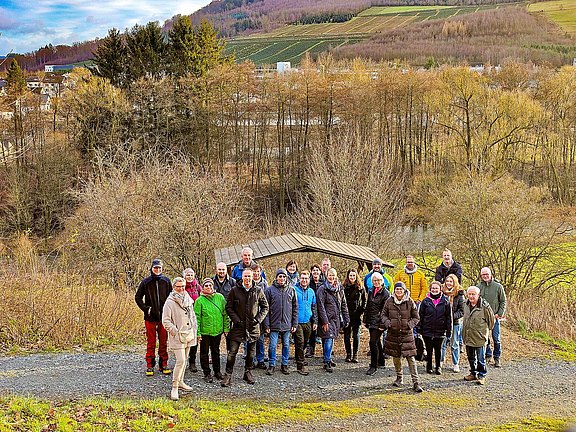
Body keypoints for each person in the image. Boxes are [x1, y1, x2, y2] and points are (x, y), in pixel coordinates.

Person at [222, 268, 269, 387]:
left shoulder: (258, 290)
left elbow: (265, 307)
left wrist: (258, 319)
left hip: (253, 327)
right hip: (238, 327)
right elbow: (229, 308)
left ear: (253, 277)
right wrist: (236, 320)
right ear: (242, 277)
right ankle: (228, 374)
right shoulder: (234, 290)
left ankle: (247, 372)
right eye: (245, 276)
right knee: (232, 352)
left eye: (249, 276)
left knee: (251, 353)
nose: (247, 278)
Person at [381, 281, 423, 392]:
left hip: (406, 334)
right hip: (393, 333)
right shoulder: (389, 301)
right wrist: (388, 323)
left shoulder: (410, 301)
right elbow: (383, 315)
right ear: (394, 290)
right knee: (396, 357)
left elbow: (416, 317)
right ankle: (399, 378)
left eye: (400, 289)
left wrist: (409, 325)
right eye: (397, 289)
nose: (398, 291)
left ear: (404, 290)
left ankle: (416, 382)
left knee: (411, 358)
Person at [162, 277, 198, 401]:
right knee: (180, 361)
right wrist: (175, 332)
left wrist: (195, 330)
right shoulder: (169, 302)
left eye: (182, 286)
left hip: (189, 334)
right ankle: (175, 387)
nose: (181, 288)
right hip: (177, 336)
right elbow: (165, 321)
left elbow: (192, 316)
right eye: (178, 286)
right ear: (174, 287)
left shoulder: (188, 299)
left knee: (185, 359)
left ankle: (181, 382)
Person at [135, 258, 172, 376]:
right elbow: (138, 297)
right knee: (151, 342)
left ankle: (163, 364)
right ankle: (150, 365)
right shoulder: (146, 282)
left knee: (163, 342)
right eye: (155, 268)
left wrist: (169, 312)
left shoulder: (166, 281)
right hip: (150, 317)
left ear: (162, 269)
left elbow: (171, 297)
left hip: (164, 317)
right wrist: (146, 309)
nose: (157, 270)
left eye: (159, 268)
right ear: (152, 268)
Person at [194, 278, 229, 383]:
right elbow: (197, 318)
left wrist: (226, 328)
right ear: (203, 288)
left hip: (217, 331)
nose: (208, 288)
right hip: (205, 332)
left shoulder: (220, 297)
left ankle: (217, 371)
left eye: (210, 285)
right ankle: (207, 373)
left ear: (213, 286)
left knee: (216, 351)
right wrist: (198, 333)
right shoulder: (199, 300)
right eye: (206, 286)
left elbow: (225, 314)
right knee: (204, 352)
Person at [264, 268, 298, 375]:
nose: (282, 278)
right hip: (274, 324)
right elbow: (266, 309)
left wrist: (294, 323)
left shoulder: (291, 290)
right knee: (273, 345)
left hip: (287, 324)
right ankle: (272, 365)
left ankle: (284, 364)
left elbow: (295, 308)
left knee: (286, 345)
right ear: (276, 277)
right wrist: (267, 324)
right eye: (280, 276)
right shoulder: (269, 290)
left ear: (286, 277)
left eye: (284, 276)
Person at [316, 268, 350, 373]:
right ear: (326, 275)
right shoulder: (322, 289)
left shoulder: (339, 288)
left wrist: (346, 317)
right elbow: (320, 306)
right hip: (327, 319)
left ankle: (328, 358)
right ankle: (326, 361)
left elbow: (343, 304)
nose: (332, 277)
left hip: (336, 319)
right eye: (330, 275)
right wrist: (325, 321)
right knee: (329, 339)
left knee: (331, 339)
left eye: (333, 275)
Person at [417, 281, 452, 375]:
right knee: (429, 349)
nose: (434, 290)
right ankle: (429, 365)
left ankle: (438, 366)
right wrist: (419, 327)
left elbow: (449, 317)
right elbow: (420, 315)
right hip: (427, 329)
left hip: (440, 329)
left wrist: (449, 330)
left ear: (440, 289)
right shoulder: (425, 301)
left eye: (436, 288)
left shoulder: (445, 301)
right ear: (430, 289)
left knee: (438, 349)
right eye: (433, 288)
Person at [462, 286, 495, 385]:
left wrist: (483, 332)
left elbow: (491, 322)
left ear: (478, 295)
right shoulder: (465, 304)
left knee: (481, 359)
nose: (471, 296)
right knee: (471, 357)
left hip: (479, 337)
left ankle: (482, 375)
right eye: (469, 294)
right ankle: (473, 373)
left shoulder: (485, 307)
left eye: (473, 294)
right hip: (468, 336)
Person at [477, 267, 507, 368]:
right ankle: (488, 354)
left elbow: (503, 301)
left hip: (495, 317)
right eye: (483, 275)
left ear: (490, 274)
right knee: (485, 338)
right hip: (482, 317)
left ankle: (497, 357)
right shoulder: (478, 287)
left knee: (496, 338)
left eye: (487, 274)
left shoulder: (498, 286)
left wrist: (499, 313)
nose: (485, 276)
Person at [364, 272, 390, 375]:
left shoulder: (386, 293)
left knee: (372, 342)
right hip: (371, 320)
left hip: (379, 322)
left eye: (378, 280)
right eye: (375, 280)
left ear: (382, 281)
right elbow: (368, 306)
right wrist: (365, 319)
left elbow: (386, 311)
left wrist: (382, 325)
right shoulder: (371, 291)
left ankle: (373, 366)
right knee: (377, 341)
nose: (377, 282)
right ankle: (381, 361)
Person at [294, 270, 317, 375]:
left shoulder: (311, 292)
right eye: (302, 278)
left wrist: (315, 321)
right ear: (300, 279)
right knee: (300, 342)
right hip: (297, 321)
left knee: (305, 342)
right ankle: (300, 365)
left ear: (309, 279)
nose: (304, 280)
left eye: (306, 278)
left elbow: (314, 307)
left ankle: (299, 356)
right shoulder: (294, 290)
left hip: (308, 321)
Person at [441, 274, 465, 372]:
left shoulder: (459, 295)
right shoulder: (442, 293)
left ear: (454, 283)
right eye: (447, 281)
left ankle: (455, 363)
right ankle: (441, 360)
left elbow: (462, 311)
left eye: (451, 282)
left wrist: (451, 317)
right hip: (442, 322)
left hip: (455, 322)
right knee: (442, 343)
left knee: (454, 343)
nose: (449, 283)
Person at [343, 269, 366, 364]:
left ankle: (355, 354)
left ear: (356, 276)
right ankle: (348, 354)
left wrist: (361, 311)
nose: (352, 277)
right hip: (347, 314)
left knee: (356, 336)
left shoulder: (360, 288)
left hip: (357, 314)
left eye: (353, 275)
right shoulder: (344, 287)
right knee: (347, 335)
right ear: (348, 277)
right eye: (350, 276)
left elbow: (364, 301)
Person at [183, 268, 202, 373]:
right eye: (187, 275)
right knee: (184, 338)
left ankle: (192, 362)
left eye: (191, 275)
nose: (189, 277)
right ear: (184, 276)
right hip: (184, 316)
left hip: (195, 316)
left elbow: (202, 296)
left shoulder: (197, 287)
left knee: (194, 339)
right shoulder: (181, 286)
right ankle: (183, 361)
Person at [251, 261, 268, 369]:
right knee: (250, 340)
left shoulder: (264, 284)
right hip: (250, 315)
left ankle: (260, 359)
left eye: (258, 271)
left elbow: (266, 301)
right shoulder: (248, 282)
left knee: (260, 339)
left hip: (261, 315)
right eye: (254, 272)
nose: (256, 273)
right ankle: (250, 360)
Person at [305, 263, 324, 358]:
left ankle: (326, 351)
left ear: (320, 272)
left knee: (324, 331)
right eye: (314, 270)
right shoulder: (309, 283)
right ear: (311, 272)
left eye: (317, 270)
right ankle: (310, 350)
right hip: (311, 308)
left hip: (322, 309)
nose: (315, 272)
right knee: (312, 331)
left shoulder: (323, 283)